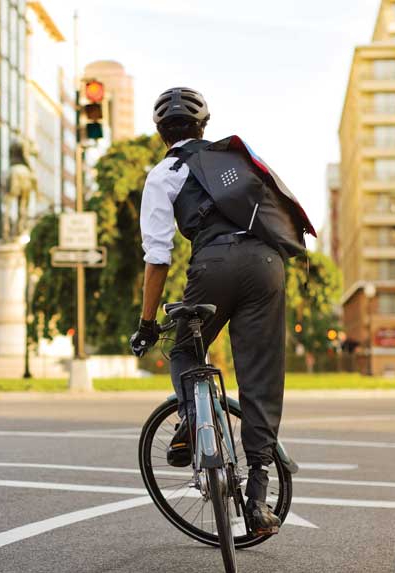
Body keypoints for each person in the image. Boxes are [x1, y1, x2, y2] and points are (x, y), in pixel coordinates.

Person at [129, 87, 283, 536]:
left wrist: (146, 324)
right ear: (203, 127)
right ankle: (259, 497)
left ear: (162, 133)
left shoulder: (164, 173)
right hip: (267, 263)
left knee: (184, 351)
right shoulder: (236, 157)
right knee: (260, 376)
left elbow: (158, 257)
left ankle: (193, 424)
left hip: (214, 264)